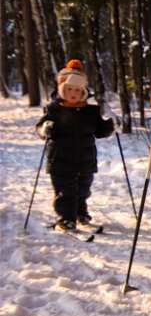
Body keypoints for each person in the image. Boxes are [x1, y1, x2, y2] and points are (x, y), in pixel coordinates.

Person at [36, 60, 115, 231]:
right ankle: (66, 218)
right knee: (65, 191)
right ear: (62, 90)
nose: (73, 93)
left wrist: (109, 124)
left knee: (83, 189)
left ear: (84, 92)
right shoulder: (53, 110)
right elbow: (40, 128)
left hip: (85, 160)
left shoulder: (90, 111)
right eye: (69, 89)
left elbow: (100, 131)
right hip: (60, 160)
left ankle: (80, 213)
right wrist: (45, 129)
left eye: (78, 90)